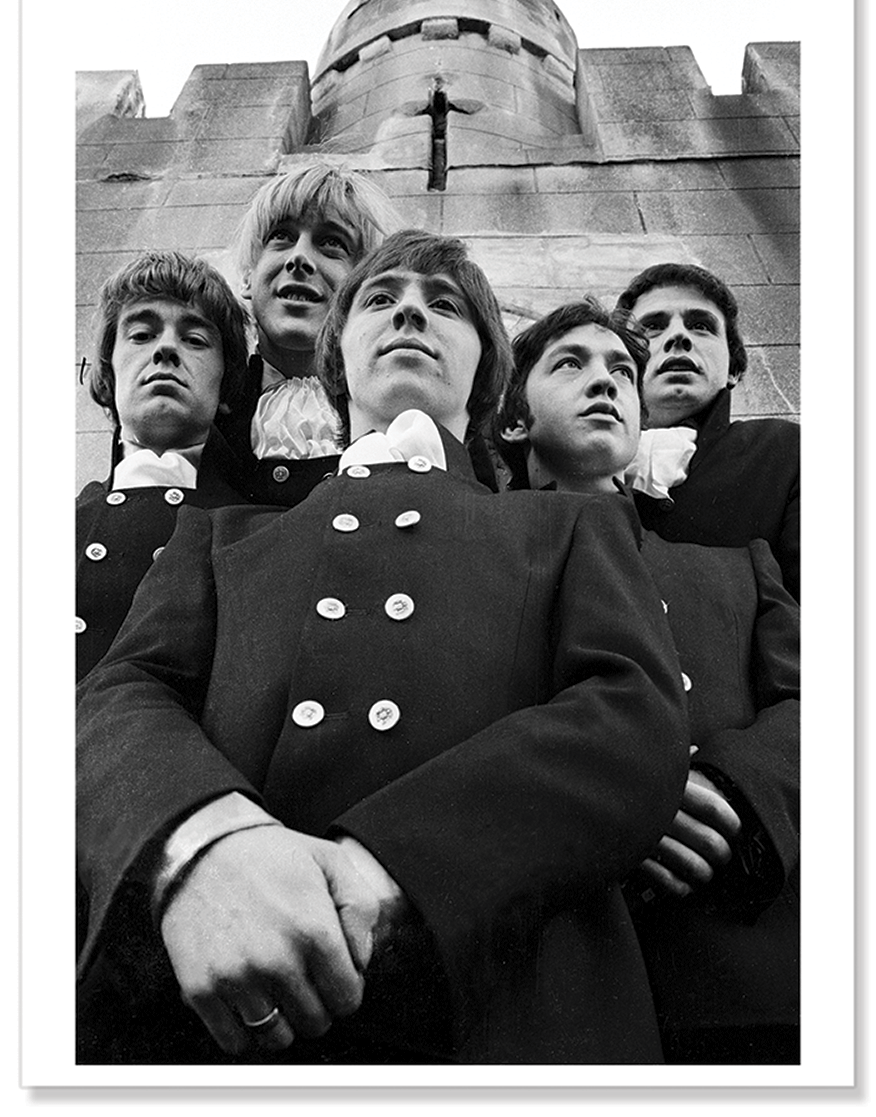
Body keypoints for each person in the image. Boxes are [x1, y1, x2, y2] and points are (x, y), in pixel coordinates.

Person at [77, 233, 690, 1066]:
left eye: (445, 305)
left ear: (489, 381)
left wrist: (380, 869)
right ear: (337, 361)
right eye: (379, 299)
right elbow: (122, 694)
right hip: (218, 1019)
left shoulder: (571, 524)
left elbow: (633, 716)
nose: (409, 310)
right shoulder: (221, 534)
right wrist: (204, 844)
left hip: (515, 1019)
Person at [496, 298, 800, 1064]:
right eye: (570, 363)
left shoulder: (736, 570)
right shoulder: (460, 564)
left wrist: (737, 788)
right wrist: (622, 799)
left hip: (744, 983)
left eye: (622, 372)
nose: (605, 382)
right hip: (540, 996)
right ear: (511, 421)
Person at [76, 251, 250, 682]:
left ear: (226, 384)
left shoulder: (255, 534)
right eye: (141, 334)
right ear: (107, 374)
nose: (166, 348)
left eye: (195, 340)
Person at [217, 163, 405, 506]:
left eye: (332, 243)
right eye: (281, 237)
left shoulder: (402, 411)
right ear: (247, 277)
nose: (299, 258)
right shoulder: (209, 402)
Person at [615, 264, 800, 601]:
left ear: (732, 368)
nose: (678, 336)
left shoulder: (788, 454)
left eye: (701, 326)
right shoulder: (570, 458)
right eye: (653, 327)